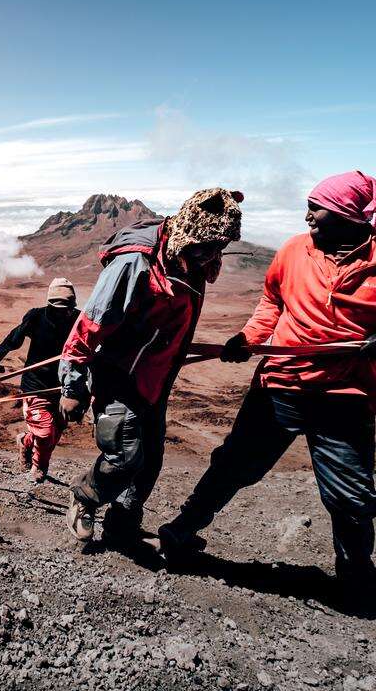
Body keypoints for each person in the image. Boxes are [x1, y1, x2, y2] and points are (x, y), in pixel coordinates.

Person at [157, 171, 376, 603]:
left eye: (319, 209)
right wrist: (251, 338)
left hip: (345, 396)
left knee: (350, 495)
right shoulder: (294, 251)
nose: (308, 216)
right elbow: (272, 301)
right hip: (279, 383)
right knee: (233, 467)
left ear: (350, 215)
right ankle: (179, 533)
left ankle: (354, 574)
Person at [59, 188, 244, 544]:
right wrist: (72, 385)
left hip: (156, 379)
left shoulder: (195, 259)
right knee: (125, 454)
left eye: (217, 249)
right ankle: (84, 496)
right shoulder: (135, 262)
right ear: (188, 231)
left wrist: (226, 348)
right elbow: (90, 324)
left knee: (151, 458)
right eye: (205, 247)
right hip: (119, 374)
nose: (210, 257)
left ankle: (122, 521)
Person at [0, 278, 80, 482]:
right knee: (45, 432)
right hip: (35, 385)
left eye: (67, 308)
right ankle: (39, 468)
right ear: (50, 304)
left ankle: (25, 442)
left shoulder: (80, 320)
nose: (63, 312)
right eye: (58, 308)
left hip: (63, 387)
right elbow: (13, 339)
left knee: (56, 430)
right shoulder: (36, 317)